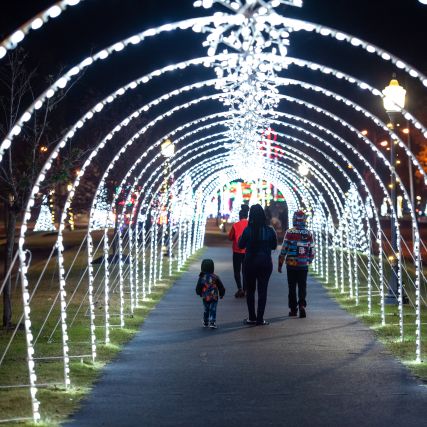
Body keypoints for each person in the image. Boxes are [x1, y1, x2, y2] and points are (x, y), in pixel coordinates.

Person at [238, 204, 278, 326]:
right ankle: (260, 318)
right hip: (265, 262)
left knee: (250, 291)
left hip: (250, 262)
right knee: (262, 290)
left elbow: (240, 245)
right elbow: (274, 246)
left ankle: (252, 317)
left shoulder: (248, 230)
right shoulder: (269, 230)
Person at [278, 210, 315, 318]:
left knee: (292, 287)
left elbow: (284, 249)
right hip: (303, 264)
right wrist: (309, 260)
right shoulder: (308, 233)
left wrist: (280, 263)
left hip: (291, 264)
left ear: (294, 219)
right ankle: (302, 305)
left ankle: (293, 309)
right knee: (302, 286)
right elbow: (312, 250)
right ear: (304, 220)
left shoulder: (290, 232)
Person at [196, 259, 226, 329]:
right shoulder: (215, 276)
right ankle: (212, 322)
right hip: (214, 296)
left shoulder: (201, 276)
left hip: (205, 296)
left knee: (206, 309)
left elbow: (199, 286)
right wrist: (222, 293)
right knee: (213, 309)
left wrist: (199, 292)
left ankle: (206, 322)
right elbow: (220, 286)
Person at [228, 204, 249, 298]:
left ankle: (239, 289)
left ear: (240, 216)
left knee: (237, 271)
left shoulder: (235, 225)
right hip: (247, 251)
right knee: (246, 271)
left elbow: (230, 237)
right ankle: (245, 289)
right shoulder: (250, 225)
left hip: (237, 251)